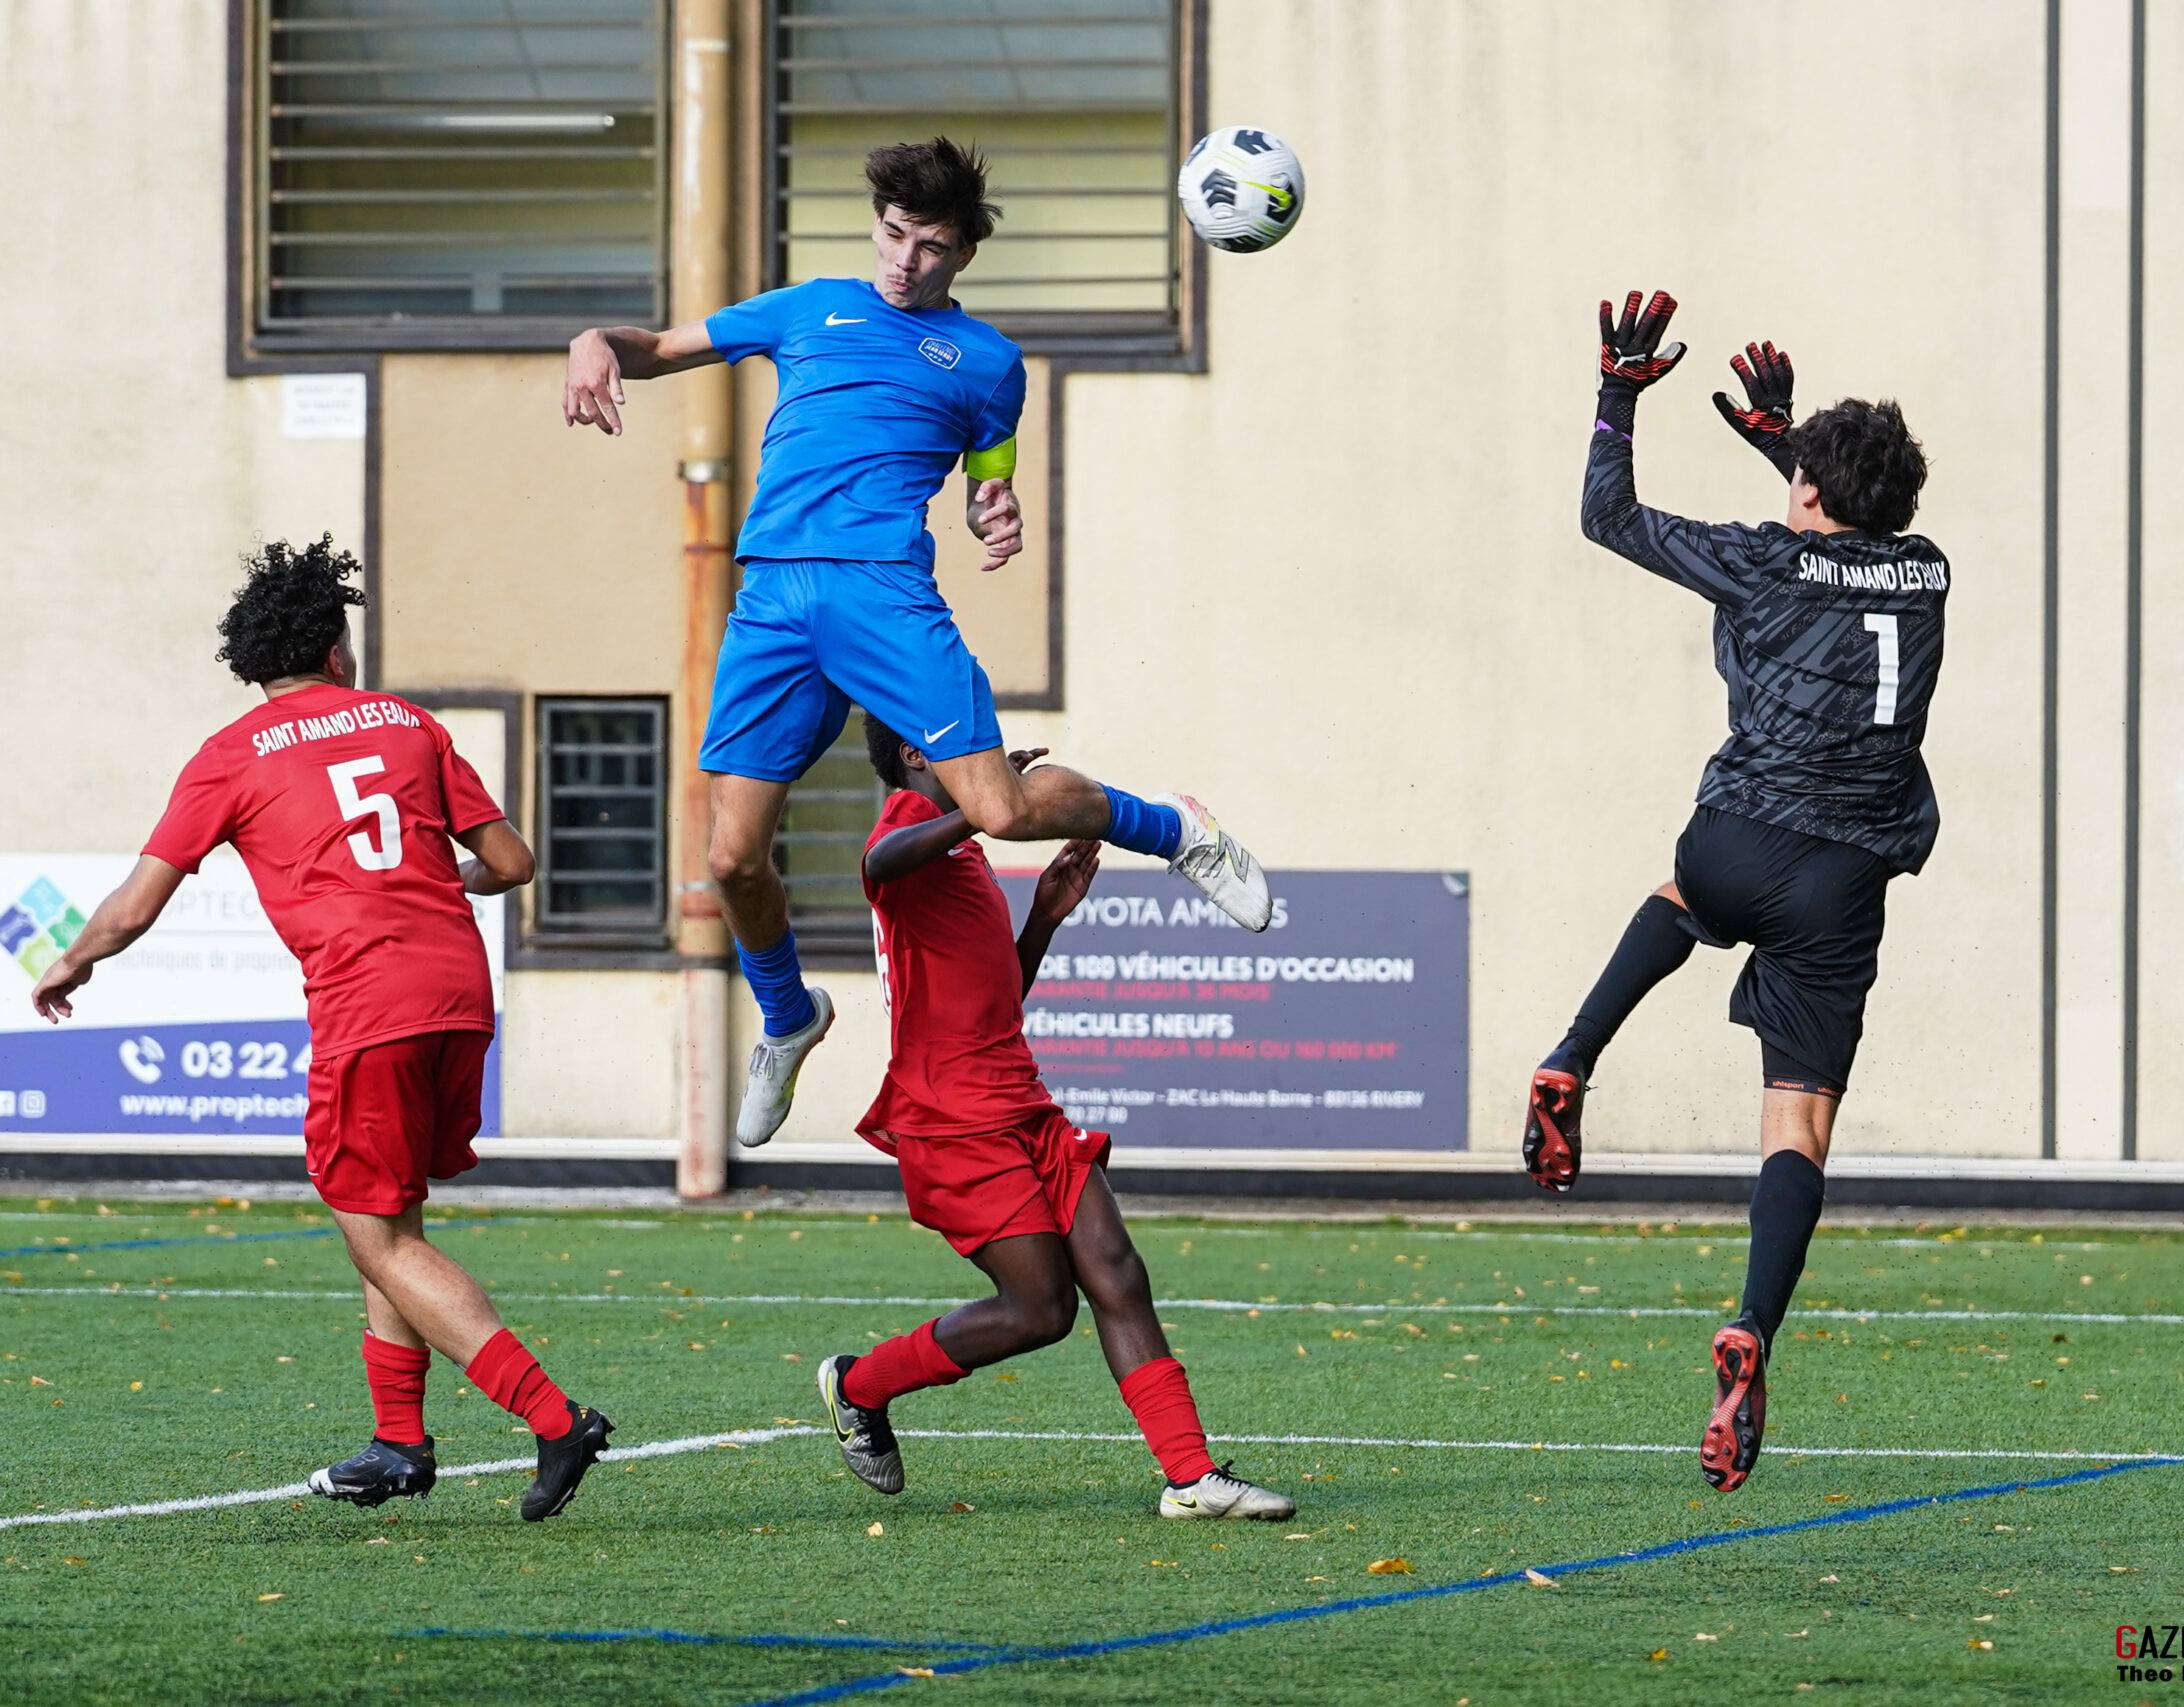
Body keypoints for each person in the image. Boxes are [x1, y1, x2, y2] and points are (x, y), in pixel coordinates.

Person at [560, 136, 1273, 1149]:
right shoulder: (809, 307)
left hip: (884, 594)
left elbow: (991, 475)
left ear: (964, 254)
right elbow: (664, 348)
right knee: (730, 858)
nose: (904, 260)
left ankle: (1176, 830)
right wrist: (594, 340)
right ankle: (790, 1017)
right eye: (893, 235)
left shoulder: (988, 364)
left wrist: (997, 511)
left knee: (999, 808)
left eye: (929, 246)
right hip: (772, 598)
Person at [30, 540, 613, 1522]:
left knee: (376, 1233)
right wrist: (435, 882)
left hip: (368, 1006)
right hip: (459, 993)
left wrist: (73, 960)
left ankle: (552, 1418)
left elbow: (133, 908)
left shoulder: (227, 755)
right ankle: (398, 1443)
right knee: (389, 1219)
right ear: (337, 652)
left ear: (254, 665)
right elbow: (512, 863)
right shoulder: (412, 727)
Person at [1524, 295, 1945, 1494]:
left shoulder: (1766, 556)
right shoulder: (1928, 570)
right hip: (1843, 882)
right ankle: (1753, 1328)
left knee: (1681, 896)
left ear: (1808, 494)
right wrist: (1789, 442)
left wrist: (1619, 391)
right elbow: (1851, 528)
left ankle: (1572, 1053)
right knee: (1798, 1117)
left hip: (1735, 839)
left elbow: (1607, 517)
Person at [812, 714, 1294, 1523]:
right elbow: (875, 860)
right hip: (952, 1119)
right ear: (914, 754)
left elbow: (994, 999)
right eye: (967, 743)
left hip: (1021, 1101)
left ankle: (1192, 1477)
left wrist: (1042, 917)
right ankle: (859, 1386)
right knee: (1041, 1310)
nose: (987, 756)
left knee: (1118, 1271)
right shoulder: (909, 823)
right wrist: (982, 808)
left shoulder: (960, 853)